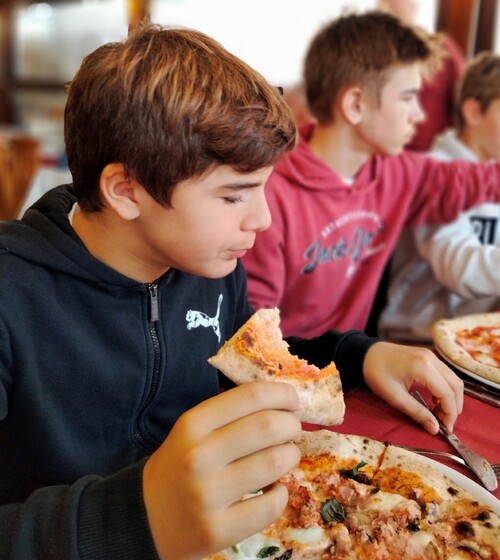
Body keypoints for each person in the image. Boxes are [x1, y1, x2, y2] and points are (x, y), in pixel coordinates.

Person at [0, 22, 464, 560]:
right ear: (127, 191)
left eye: (264, 187)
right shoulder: (13, 294)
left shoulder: (210, 268)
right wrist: (134, 517)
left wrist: (358, 356)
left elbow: (256, 361)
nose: (263, 219)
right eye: (233, 195)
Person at [242, 10, 500, 340]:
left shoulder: (398, 171)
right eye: (408, 98)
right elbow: (253, 335)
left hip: (354, 364)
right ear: (355, 105)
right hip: (287, 375)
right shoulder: (271, 193)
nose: (419, 115)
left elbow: (476, 181)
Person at [379, 52, 500, 343]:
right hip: (416, 339)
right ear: (473, 112)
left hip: (478, 338)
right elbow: (456, 268)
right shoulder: (436, 174)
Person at [377, 0, 465, 151]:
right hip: (380, 155)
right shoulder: (366, 50)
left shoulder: (443, 50)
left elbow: (465, 106)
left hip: (431, 156)